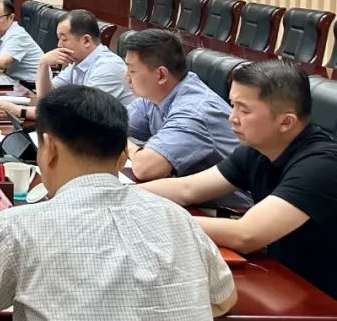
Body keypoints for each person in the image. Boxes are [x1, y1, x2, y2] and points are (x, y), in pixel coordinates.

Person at [0, 85, 236, 321]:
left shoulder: (18, 227)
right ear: (123, 157)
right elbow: (224, 299)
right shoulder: (177, 217)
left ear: (49, 148)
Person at [141, 60, 337, 299]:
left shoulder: (322, 165)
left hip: (322, 299)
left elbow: (246, 234)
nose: (232, 117)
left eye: (244, 110)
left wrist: (153, 217)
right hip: (284, 280)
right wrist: (121, 195)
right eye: (233, 105)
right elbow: (187, 188)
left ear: (286, 122)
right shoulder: (258, 149)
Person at [123, 29, 239, 182]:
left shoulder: (195, 110)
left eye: (132, 71)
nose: (126, 77)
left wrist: (125, 144)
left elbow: (144, 169)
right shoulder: (155, 97)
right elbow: (105, 125)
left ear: (161, 75)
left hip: (233, 197)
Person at [0, 9, 134, 122]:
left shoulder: (108, 68)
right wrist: (43, 64)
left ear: (86, 41)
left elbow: (79, 115)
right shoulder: (77, 62)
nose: (59, 45)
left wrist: (19, 111)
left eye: (64, 39)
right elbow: (46, 99)